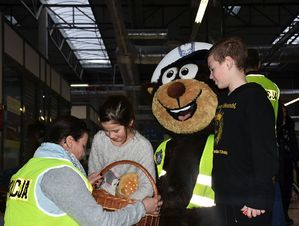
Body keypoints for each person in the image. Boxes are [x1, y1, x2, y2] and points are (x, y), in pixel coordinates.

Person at [4, 115, 161, 226]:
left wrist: (82, 183)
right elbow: (102, 223)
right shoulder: (61, 174)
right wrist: (142, 208)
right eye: (83, 146)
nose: (82, 154)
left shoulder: (28, 169)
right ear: (70, 142)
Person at [208, 37, 278, 226]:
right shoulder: (225, 100)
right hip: (226, 195)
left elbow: (264, 148)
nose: (210, 75)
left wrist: (258, 196)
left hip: (248, 199)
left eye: (213, 68)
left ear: (228, 62)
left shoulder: (254, 96)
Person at [88, 95, 156, 200]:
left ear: (130, 123)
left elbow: (148, 187)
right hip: (102, 202)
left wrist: (124, 205)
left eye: (116, 131)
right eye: (106, 130)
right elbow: (93, 174)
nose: (111, 136)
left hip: (131, 207)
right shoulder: (100, 140)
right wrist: (95, 183)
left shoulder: (143, 147)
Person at [245, 48, 285, 226]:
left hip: (247, 150)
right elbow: (279, 119)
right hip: (270, 147)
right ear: (259, 64)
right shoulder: (273, 87)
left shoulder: (241, 84)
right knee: (270, 190)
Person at [277, 103, 299, 225]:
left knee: (287, 189)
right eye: (282, 111)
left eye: (285, 111)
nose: (284, 113)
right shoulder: (276, 126)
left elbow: (294, 143)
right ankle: (281, 216)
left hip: (288, 161)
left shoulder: (290, 125)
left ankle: (285, 214)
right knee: (280, 189)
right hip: (279, 162)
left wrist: (296, 159)